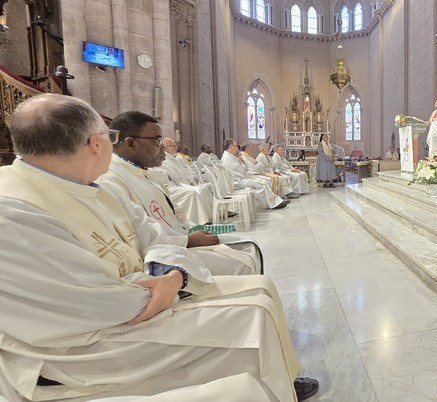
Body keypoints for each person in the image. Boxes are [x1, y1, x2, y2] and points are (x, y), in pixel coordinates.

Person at [0, 94, 318, 401]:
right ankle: (273, 388)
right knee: (253, 315)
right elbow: (90, 305)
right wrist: (171, 285)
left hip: (136, 301)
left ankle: (282, 385)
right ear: (97, 144)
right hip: (82, 352)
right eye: (108, 136)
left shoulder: (91, 187)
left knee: (261, 288)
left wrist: (174, 273)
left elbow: (153, 236)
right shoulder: (12, 210)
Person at [97, 111, 262, 275]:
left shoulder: (144, 172)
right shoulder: (112, 181)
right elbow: (136, 237)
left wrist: (192, 229)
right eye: (157, 140)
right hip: (165, 260)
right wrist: (187, 240)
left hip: (180, 240)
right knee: (244, 260)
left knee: (249, 245)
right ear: (131, 144)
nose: (163, 147)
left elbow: (174, 211)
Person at [147, 136, 215, 225]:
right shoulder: (162, 157)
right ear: (165, 147)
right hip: (167, 186)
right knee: (193, 192)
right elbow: (160, 174)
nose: (176, 148)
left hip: (176, 183)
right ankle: (197, 222)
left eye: (175, 145)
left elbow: (180, 173)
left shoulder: (171, 158)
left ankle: (208, 217)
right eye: (173, 146)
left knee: (203, 189)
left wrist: (188, 181)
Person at [220, 139, 290, 210]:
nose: (238, 148)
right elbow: (243, 170)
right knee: (260, 184)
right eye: (236, 146)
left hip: (241, 178)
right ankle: (268, 204)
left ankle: (275, 202)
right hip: (237, 182)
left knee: (263, 182)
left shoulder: (231, 156)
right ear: (231, 147)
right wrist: (242, 161)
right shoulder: (228, 158)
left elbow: (244, 169)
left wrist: (242, 163)